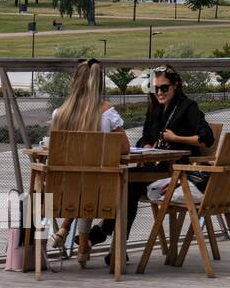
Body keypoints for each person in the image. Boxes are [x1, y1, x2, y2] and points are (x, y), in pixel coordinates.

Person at [92, 65, 214, 257]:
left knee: (129, 184)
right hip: (155, 169)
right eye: (155, 88)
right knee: (125, 180)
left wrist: (176, 139)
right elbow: (144, 137)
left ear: (175, 85)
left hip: (177, 173)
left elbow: (207, 137)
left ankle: (108, 236)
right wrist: (147, 145)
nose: (159, 93)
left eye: (164, 88)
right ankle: (116, 246)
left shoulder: (187, 107)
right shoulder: (155, 109)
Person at [47, 59, 130, 267]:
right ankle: (82, 243)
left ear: (74, 81)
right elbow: (125, 148)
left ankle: (68, 232)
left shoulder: (59, 113)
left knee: (81, 183)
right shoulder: (105, 112)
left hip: (60, 192)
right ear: (100, 83)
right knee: (92, 182)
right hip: (99, 193)